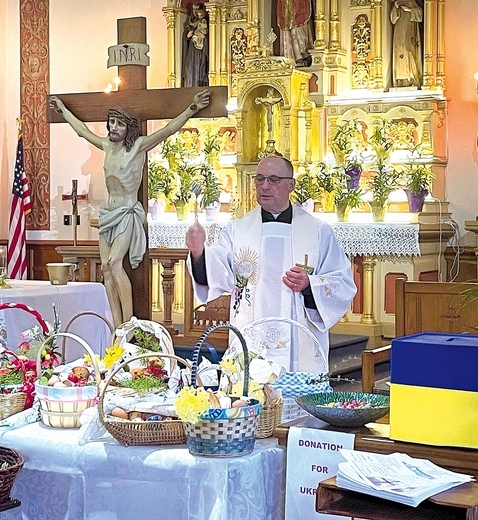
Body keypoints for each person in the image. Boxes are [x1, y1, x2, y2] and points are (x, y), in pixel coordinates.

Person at [49, 90, 211, 327]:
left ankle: (129, 323)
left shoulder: (138, 147)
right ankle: (116, 324)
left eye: (119, 124)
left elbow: (168, 130)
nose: (112, 127)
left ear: (129, 128)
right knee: (105, 267)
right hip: (107, 214)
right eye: (111, 122)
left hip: (126, 213)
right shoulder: (106, 145)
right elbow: (82, 131)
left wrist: (192, 108)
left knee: (115, 263)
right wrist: (63, 111)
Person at [185, 156, 356, 372]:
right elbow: (217, 270)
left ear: (291, 185)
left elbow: (342, 282)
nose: (264, 186)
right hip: (251, 338)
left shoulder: (318, 232)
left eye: (274, 180)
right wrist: (199, 253)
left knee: (296, 400)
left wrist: (310, 285)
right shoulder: (237, 231)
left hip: (299, 347)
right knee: (252, 398)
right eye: (260, 179)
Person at [390, 0, 423, 88]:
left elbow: (420, 15)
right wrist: (396, 8)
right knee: (400, 53)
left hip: (410, 31)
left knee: (409, 51)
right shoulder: (398, 3)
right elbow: (393, 20)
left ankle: (411, 79)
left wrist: (409, 9)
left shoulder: (412, 1)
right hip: (399, 33)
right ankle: (399, 81)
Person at [277, 0, 313, 66]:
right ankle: (289, 57)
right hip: (286, 7)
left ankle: (301, 54)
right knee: (287, 31)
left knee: (298, 30)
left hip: (297, 7)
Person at [182, 2, 209, 87]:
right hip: (191, 47)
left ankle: (198, 84)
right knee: (189, 66)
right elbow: (186, 36)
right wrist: (188, 36)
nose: (195, 11)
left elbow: (206, 33)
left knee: (199, 66)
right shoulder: (189, 22)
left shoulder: (204, 21)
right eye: (194, 9)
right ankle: (189, 84)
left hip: (200, 49)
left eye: (197, 9)